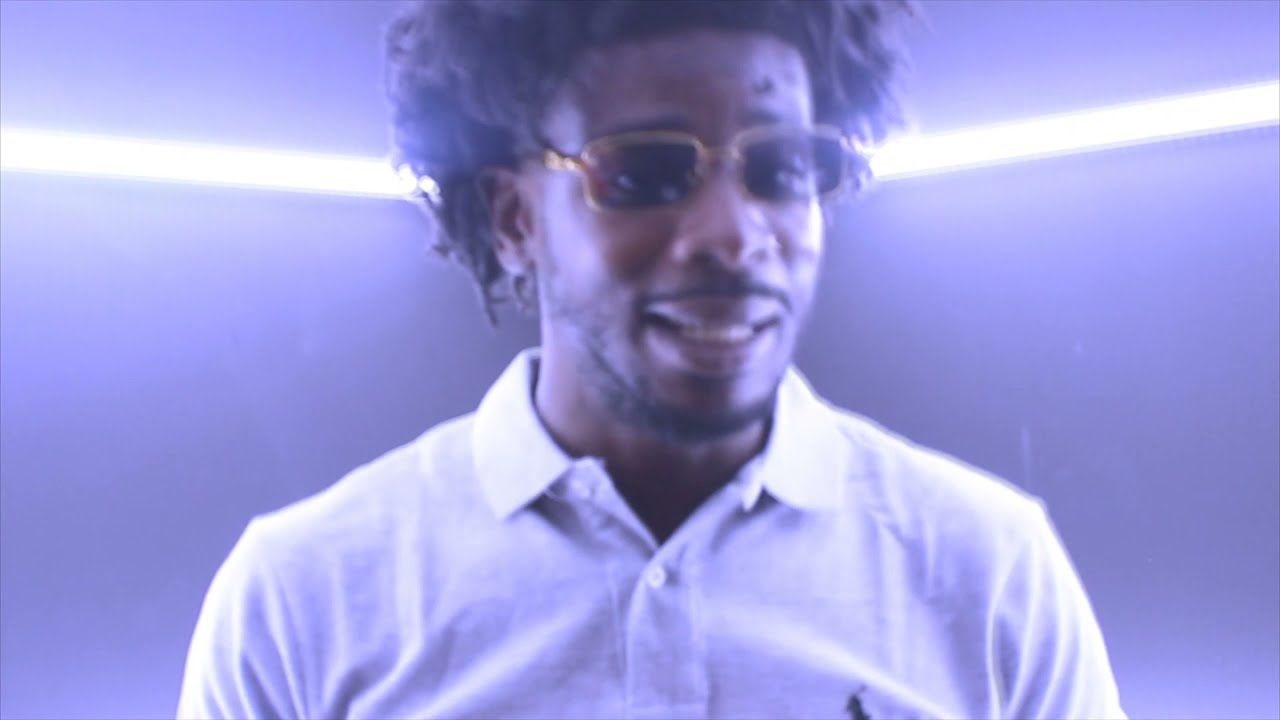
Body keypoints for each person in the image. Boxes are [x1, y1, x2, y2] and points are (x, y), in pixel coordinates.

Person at [178, 1, 1127, 718]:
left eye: (781, 168)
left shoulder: (989, 577)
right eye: (641, 172)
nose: (733, 235)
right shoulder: (301, 600)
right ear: (514, 219)